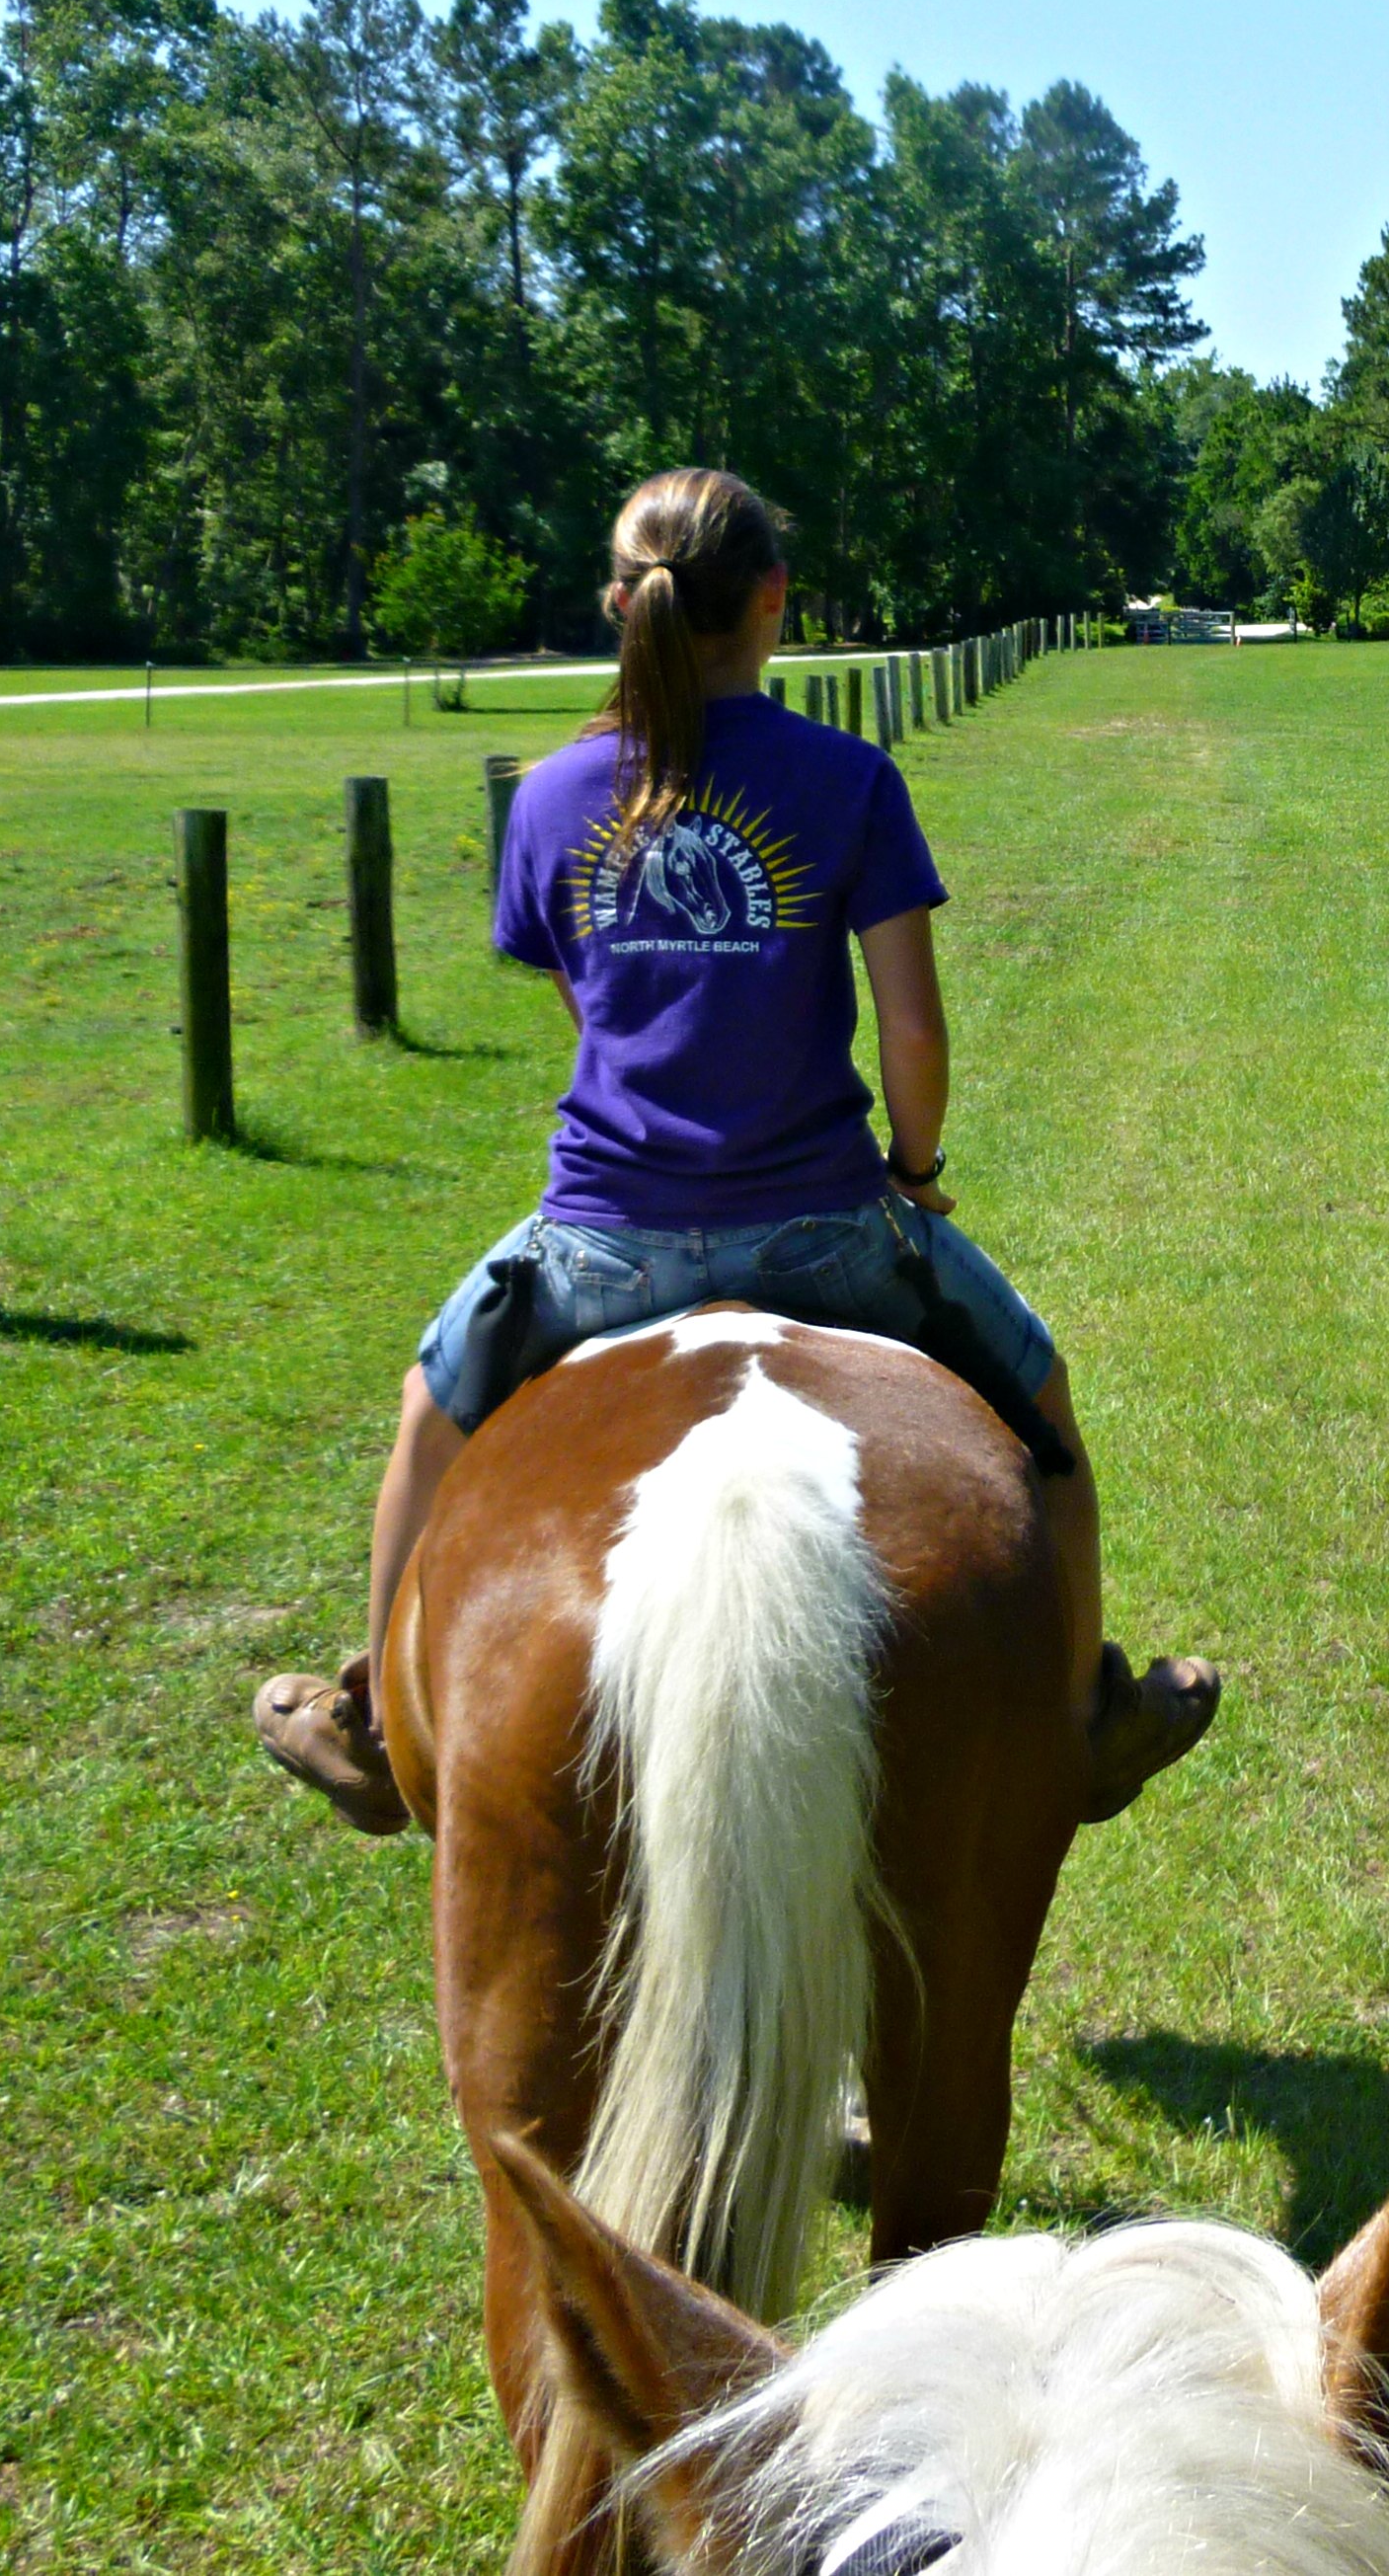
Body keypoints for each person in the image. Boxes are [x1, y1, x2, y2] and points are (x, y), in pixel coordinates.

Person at [251, 466, 1219, 1835]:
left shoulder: (547, 799)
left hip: (596, 1247)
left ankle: (373, 1728)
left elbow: (588, 1004)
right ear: (773, 601)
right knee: (1046, 1408)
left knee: (428, 1412)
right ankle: (1081, 1718)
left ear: (620, 606)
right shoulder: (846, 778)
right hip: (824, 1230)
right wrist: (918, 1169)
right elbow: (914, 1029)